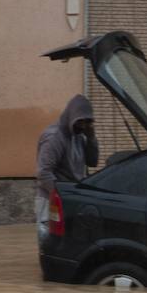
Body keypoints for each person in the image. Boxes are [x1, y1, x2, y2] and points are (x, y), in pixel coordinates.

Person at [36, 94, 98, 239]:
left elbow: (92, 162)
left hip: (71, 198)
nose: (83, 126)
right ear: (71, 117)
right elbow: (43, 173)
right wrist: (61, 198)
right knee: (51, 243)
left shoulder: (79, 136)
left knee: (70, 244)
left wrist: (91, 138)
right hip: (51, 200)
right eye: (80, 121)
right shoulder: (54, 137)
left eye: (87, 122)